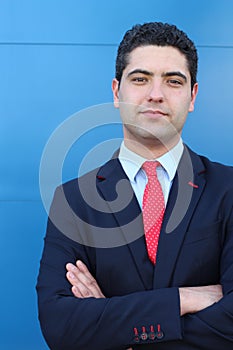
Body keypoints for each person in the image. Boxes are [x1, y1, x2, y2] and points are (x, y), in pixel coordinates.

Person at [36, 22, 233, 349]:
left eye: (173, 81)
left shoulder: (228, 189)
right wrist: (182, 299)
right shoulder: (73, 200)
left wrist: (113, 327)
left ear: (192, 96)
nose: (156, 94)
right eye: (140, 79)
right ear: (116, 92)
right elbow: (61, 324)